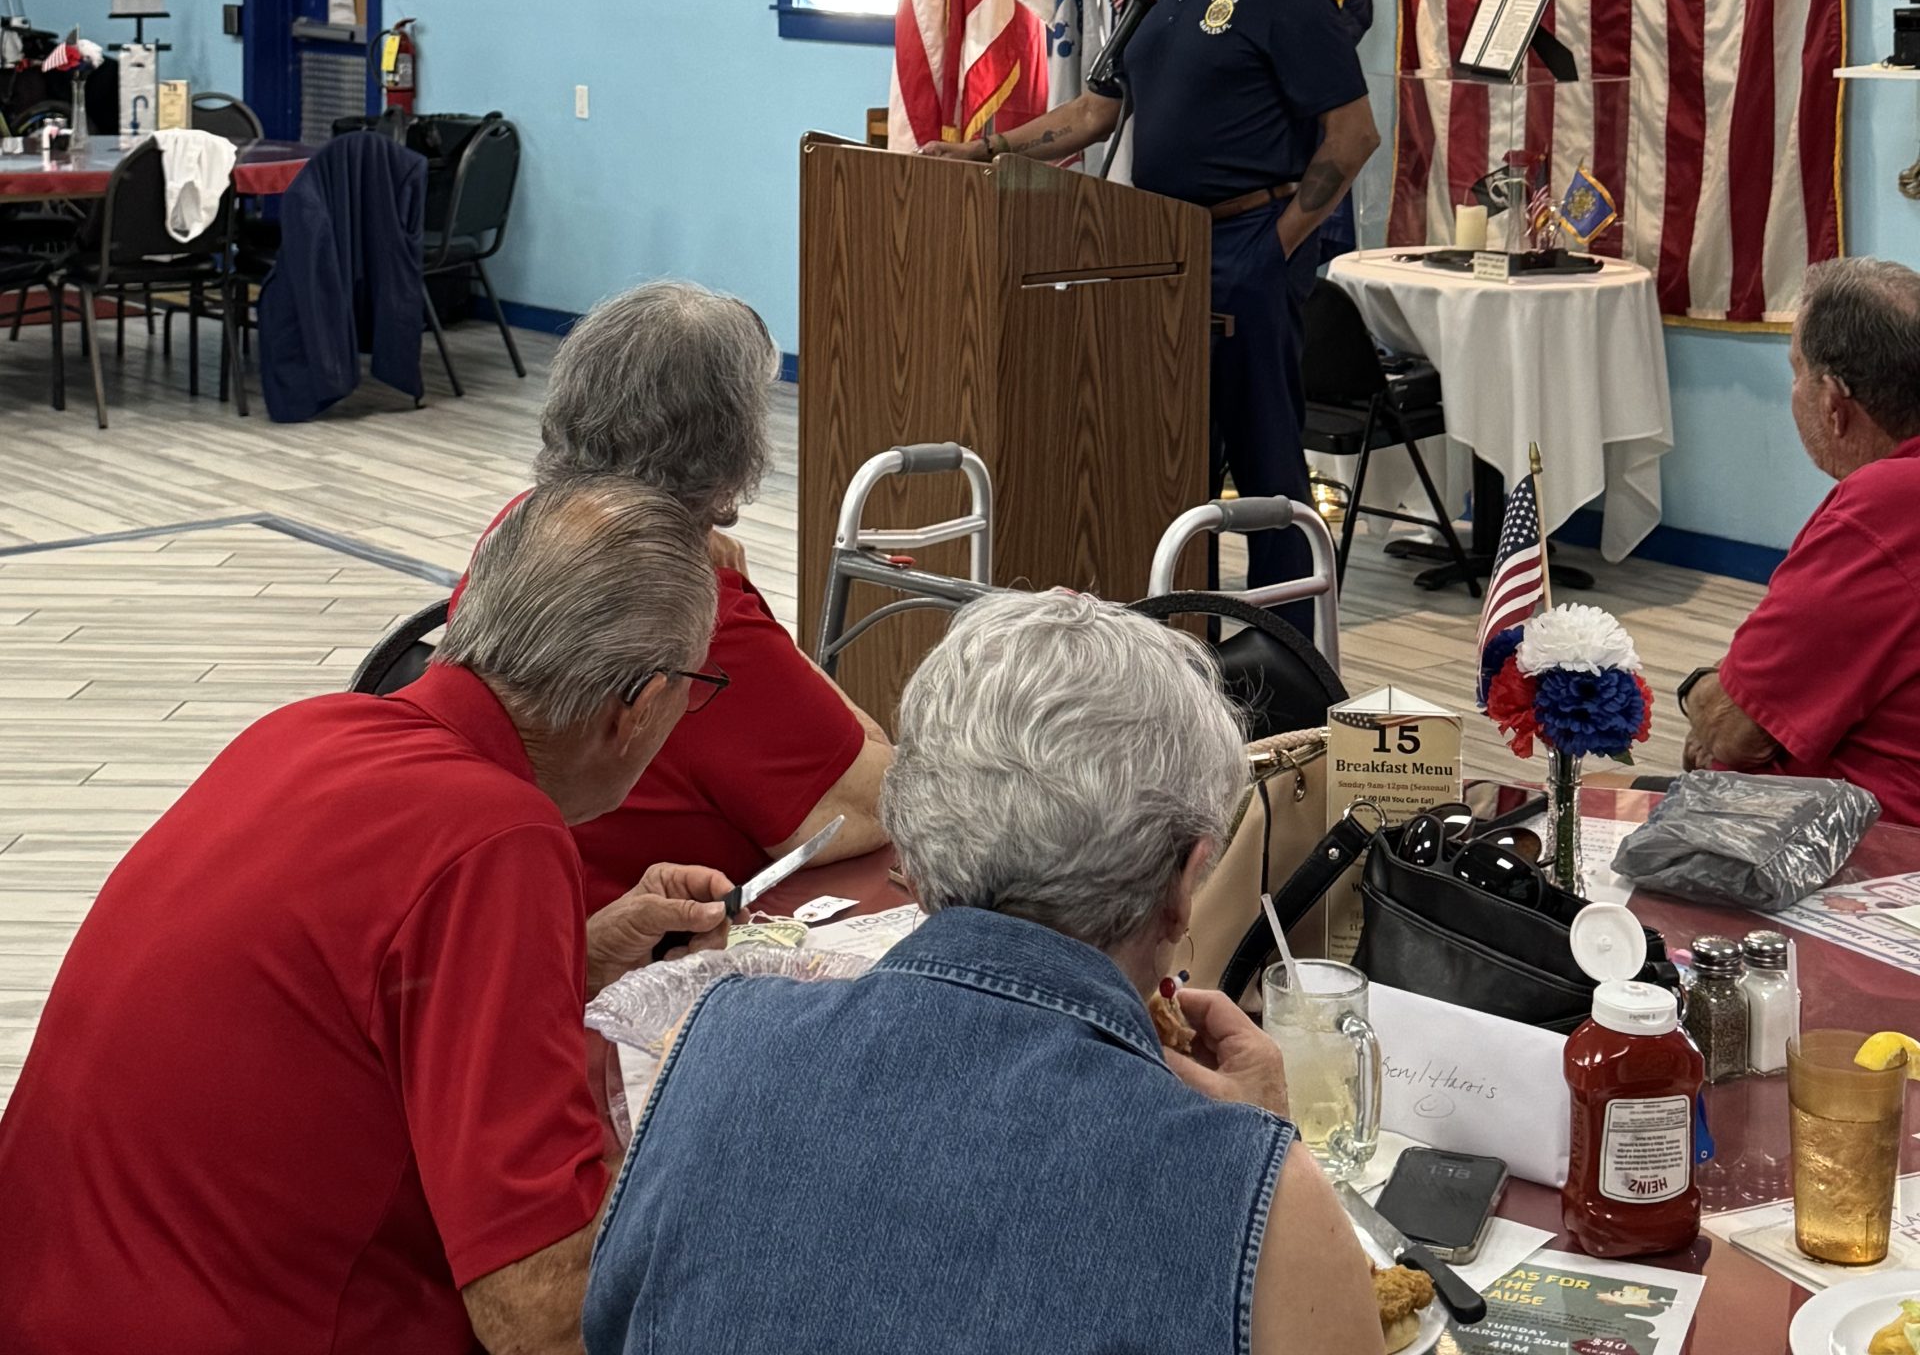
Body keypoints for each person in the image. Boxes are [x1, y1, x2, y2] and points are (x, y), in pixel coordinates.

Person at [0, 478, 730, 1355]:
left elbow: (339, 1005)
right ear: (640, 705)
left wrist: (573, 958)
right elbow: (537, 1316)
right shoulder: (495, 835)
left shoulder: (307, 730)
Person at [585, 589, 1382, 1355]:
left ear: (913, 854)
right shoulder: (1258, 1190)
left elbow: (612, 1325)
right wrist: (1260, 1154)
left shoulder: (715, 1042)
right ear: (1186, 881)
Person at [926, 0, 1379, 612]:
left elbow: (1353, 136)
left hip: (1247, 248)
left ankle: (1288, 647)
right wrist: (985, 150)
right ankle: (1181, 632)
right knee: (1170, 456)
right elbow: (1094, 114)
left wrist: (1274, 245)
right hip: (1158, 248)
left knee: (1265, 462)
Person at [463, 279, 891, 905]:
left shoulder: (519, 529)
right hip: (637, 932)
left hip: (513, 888)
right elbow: (869, 805)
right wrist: (753, 614)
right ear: (736, 447)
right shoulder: (701, 618)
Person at [1681, 258, 1920, 824]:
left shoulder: (1888, 506)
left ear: (1834, 403)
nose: (1794, 390)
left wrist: (1701, 690)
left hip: (1859, 843)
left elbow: (1734, 732)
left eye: (1796, 371)